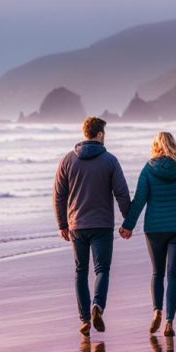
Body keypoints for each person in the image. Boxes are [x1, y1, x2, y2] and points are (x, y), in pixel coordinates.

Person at [119, 132, 176, 337]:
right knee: (173, 275)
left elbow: (139, 200)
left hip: (155, 228)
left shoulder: (148, 169)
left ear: (156, 146)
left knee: (158, 273)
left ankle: (157, 310)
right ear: (174, 144)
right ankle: (169, 322)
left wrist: (127, 226)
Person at [54, 116, 131, 336]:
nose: (105, 137)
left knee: (80, 271)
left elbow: (58, 195)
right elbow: (121, 193)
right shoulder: (110, 160)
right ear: (99, 134)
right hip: (102, 225)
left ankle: (85, 320)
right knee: (102, 270)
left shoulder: (67, 160)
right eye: (104, 133)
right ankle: (98, 305)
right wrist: (128, 221)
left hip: (76, 225)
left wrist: (62, 224)